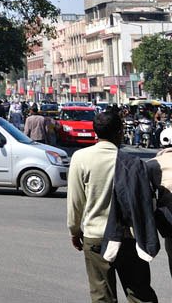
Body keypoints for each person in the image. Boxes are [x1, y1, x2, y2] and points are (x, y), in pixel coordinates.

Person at [68, 110, 158, 303]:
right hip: (129, 238)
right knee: (140, 294)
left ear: (95, 133)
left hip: (96, 237)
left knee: (102, 295)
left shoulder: (81, 158)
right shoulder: (133, 162)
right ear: (120, 132)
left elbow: (75, 202)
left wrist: (75, 231)